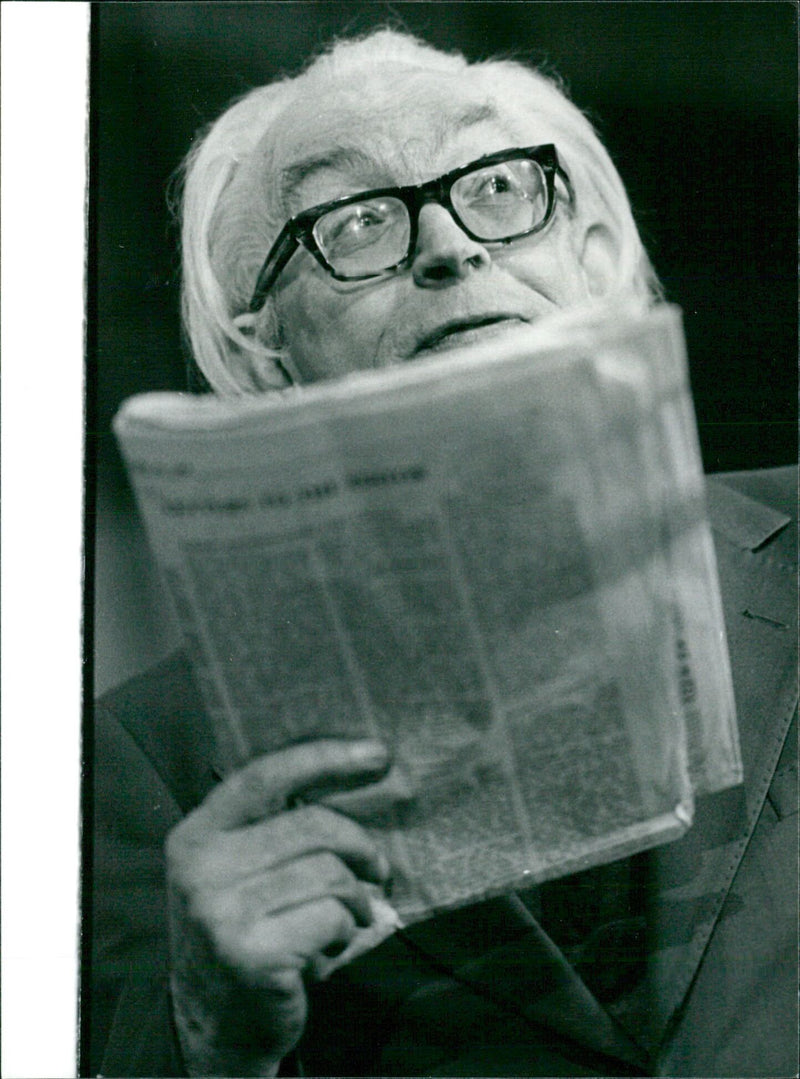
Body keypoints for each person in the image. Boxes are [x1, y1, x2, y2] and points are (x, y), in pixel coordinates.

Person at [87, 28, 797, 1078]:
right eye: (357, 221)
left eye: (503, 187)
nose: (451, 245)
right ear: (264, 349)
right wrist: (210, 1036)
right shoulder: (142, 761)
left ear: (593, 261)